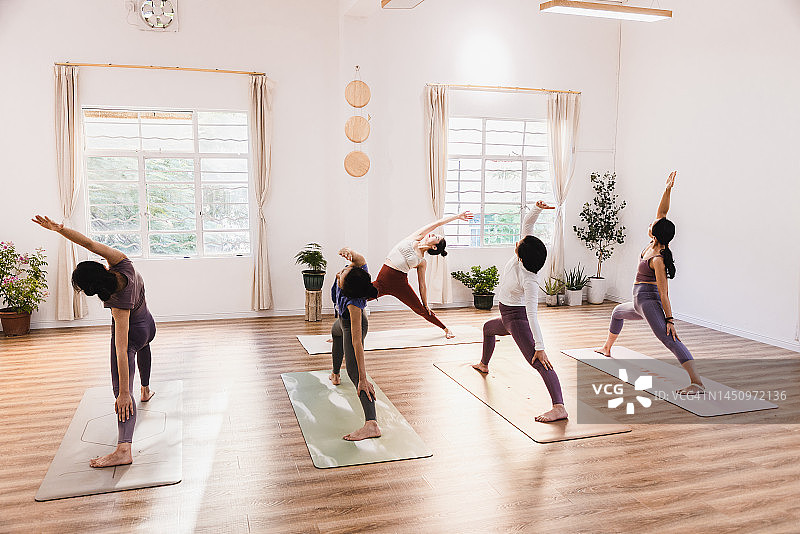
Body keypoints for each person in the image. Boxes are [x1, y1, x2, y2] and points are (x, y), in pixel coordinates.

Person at [32, 215, 156, 467]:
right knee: (144, 348)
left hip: (132, 335)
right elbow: (89, 244)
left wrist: (123, 393)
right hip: (148, 325)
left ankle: (124, 449)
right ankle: (145, 390)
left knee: (121, 388)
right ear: (101, 269)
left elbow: (121, 351)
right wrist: (60, 229)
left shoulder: (117, 305)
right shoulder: (123, 263)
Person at [595, 171, 705, 394]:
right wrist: (668, 188)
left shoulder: (658, 259)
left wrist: (670, 320)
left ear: (655, 233)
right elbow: (663, 211)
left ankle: (697, 383)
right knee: (616, 312)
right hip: (638, 302)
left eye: (653, 223)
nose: (651, 221)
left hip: (648, 303)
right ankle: (606, 348)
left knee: (670, 340)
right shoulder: (653, 242)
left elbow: (664, 294)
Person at [472, 201, 567, 423]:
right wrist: (538, 208)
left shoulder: (530, 280)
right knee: (487, 329)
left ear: (522, 256)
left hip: (517, 320)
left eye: (521, 242)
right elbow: (528, 223)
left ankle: (559, 407)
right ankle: (484, 364)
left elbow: (532, 315)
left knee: (538, 362)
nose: (519, 239)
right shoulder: (523, 255)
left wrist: (540, 347)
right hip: (505, 317)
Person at [372, 211, 473, 338]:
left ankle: (446, 329)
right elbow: (437, 223)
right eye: (435, 234)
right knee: (358, 295)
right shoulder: (415, 237)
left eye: (435, 237)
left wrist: (425, 304)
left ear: (434, 247)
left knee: (421, 309)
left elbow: (422, 285)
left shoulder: (422, 262)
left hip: (399, 284)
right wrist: (457, 217)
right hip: (382, 280)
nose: (432, 234)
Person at [329, 247, 381, 441]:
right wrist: (351, 253)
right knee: (335, 334)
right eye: (345, 268)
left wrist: (363, 377)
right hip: (341, 324)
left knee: (354, 372)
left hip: (352, 327)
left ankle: (371, 424)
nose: (342, 270)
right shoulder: (359, 277)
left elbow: (357, 342)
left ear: (345, 285)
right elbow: (360, 259)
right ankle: (334, 374)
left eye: (344, 271)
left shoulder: (353, 304)